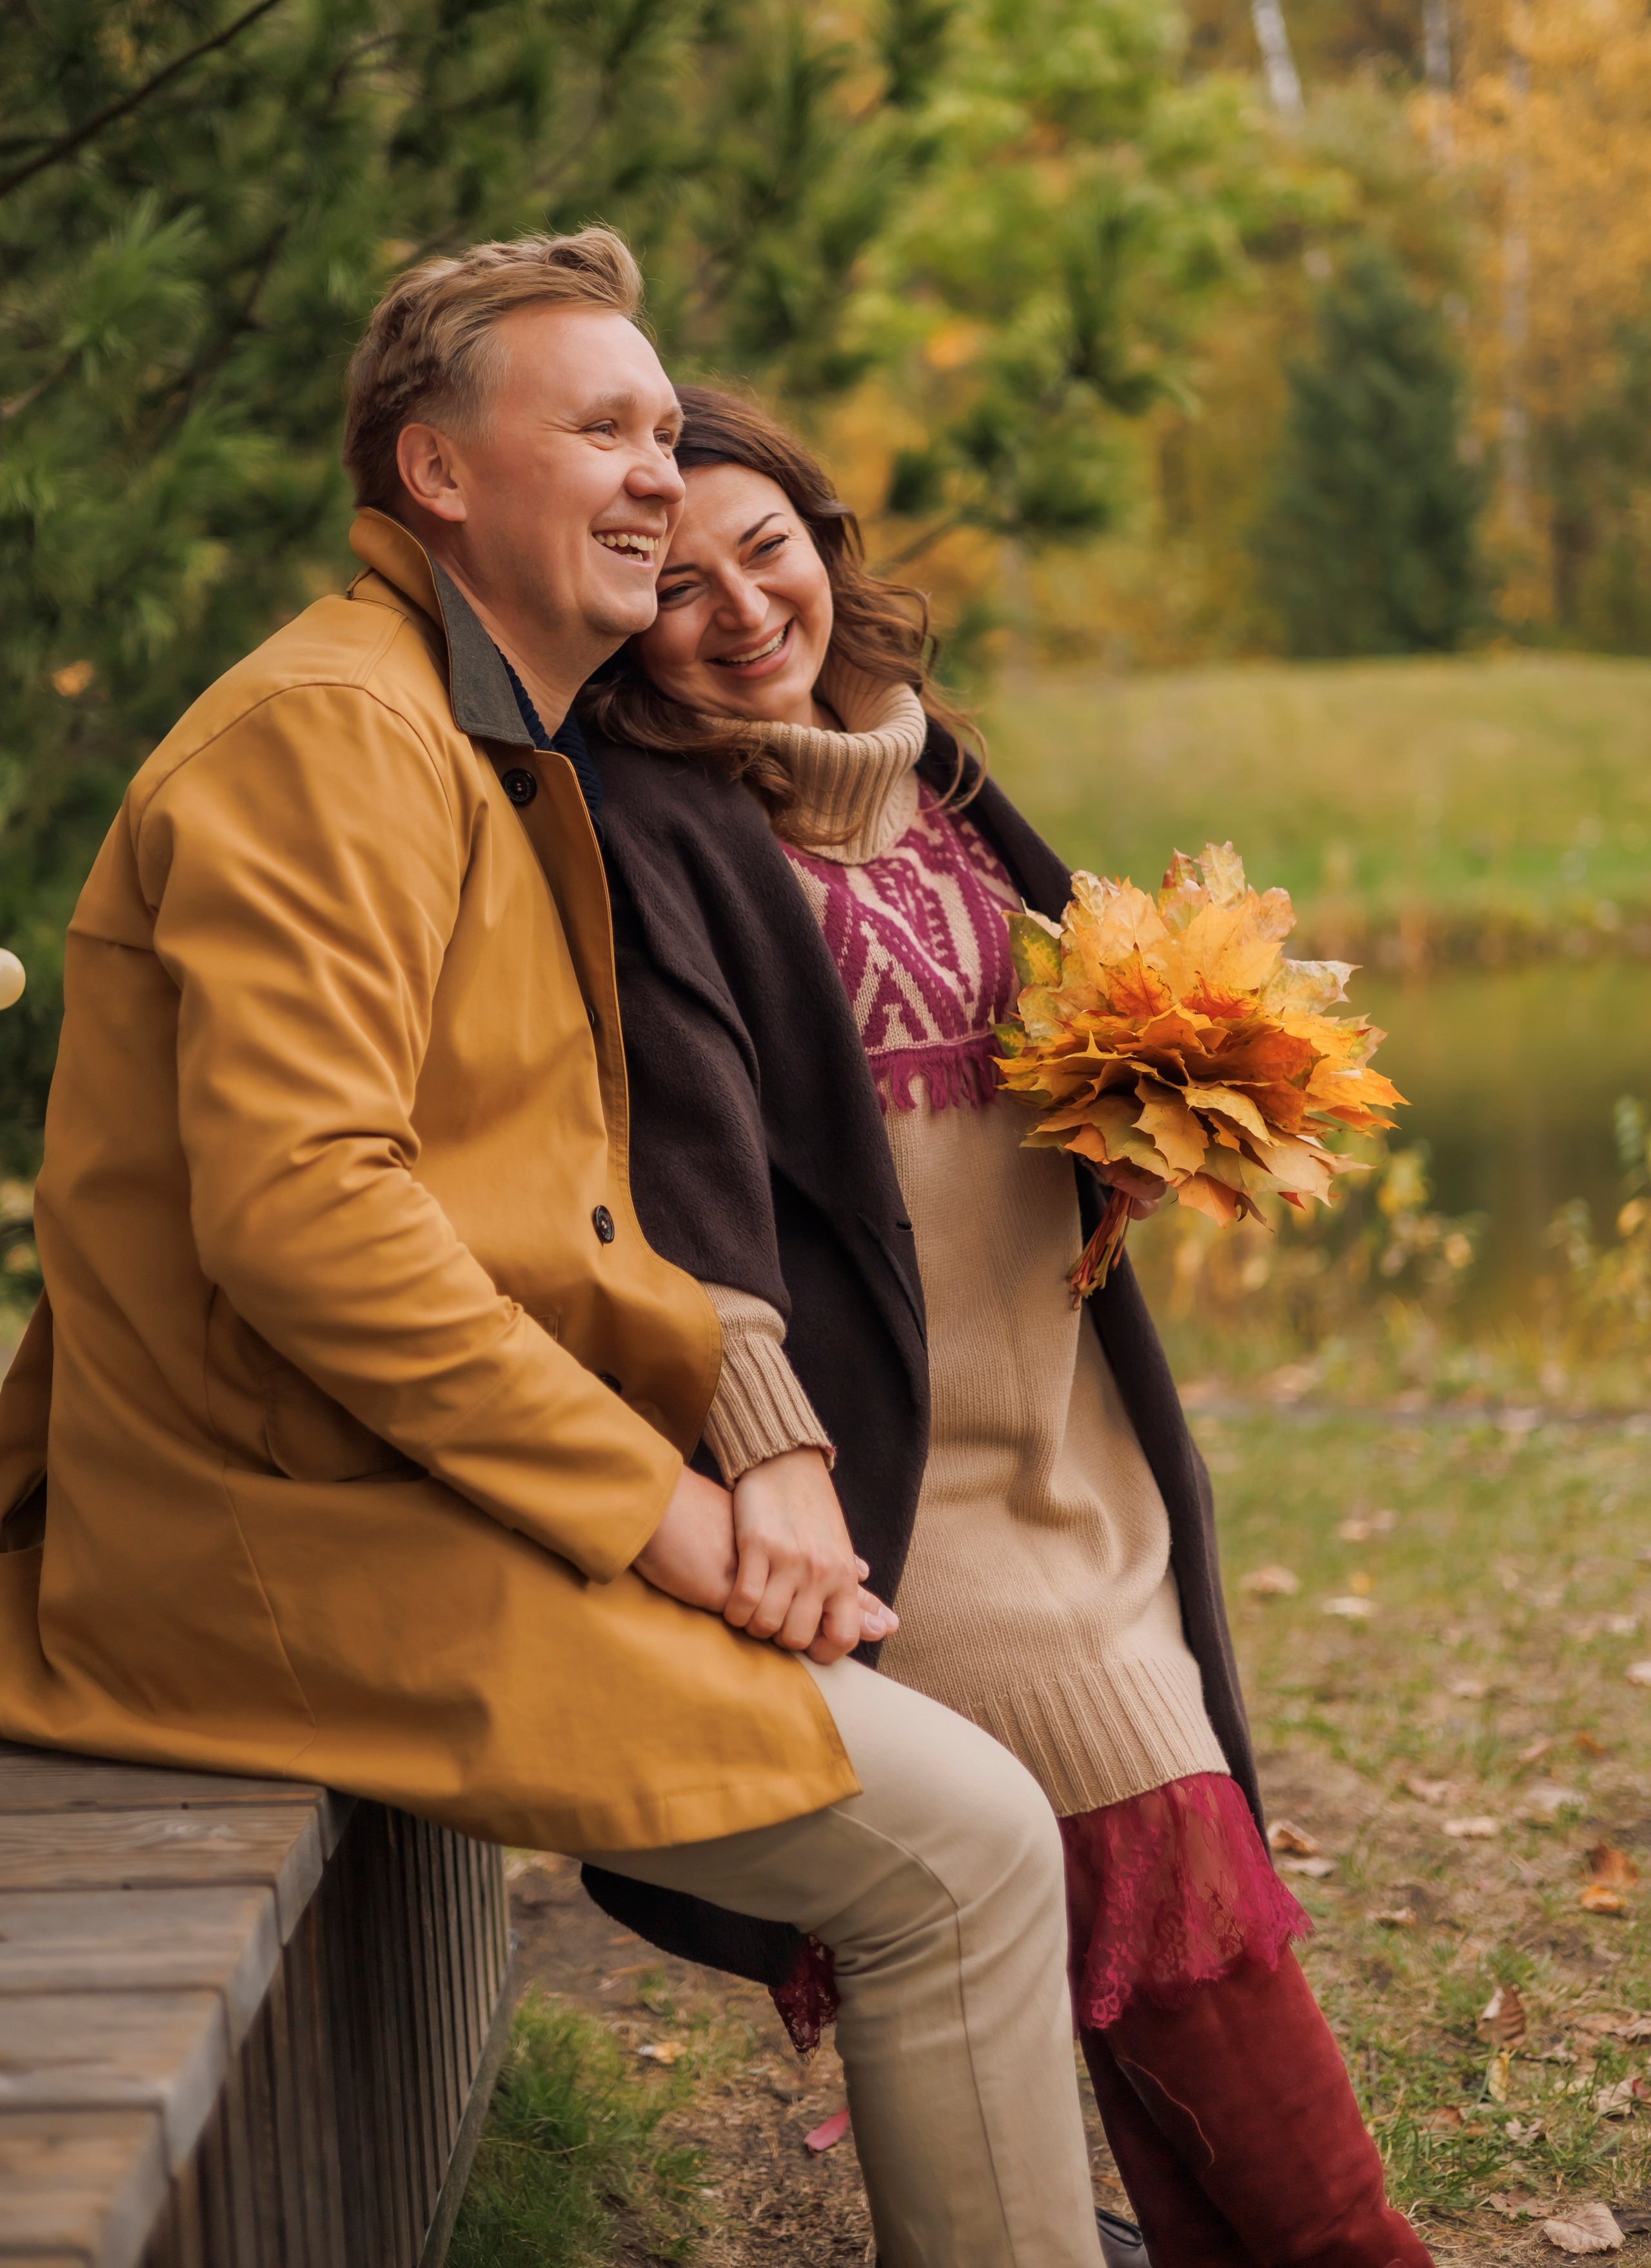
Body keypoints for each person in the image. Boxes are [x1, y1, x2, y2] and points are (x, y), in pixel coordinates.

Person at [0, 234, 1111, 2268]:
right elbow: (307, 1221)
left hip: (399, 1494)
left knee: (972, 1817)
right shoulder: (332, 739)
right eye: (598, 427)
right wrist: (663, 1515)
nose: (655, 482)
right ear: (437, 472)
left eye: (668, 434)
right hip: (270, 1536)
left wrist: (742, 1428)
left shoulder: (488, 739)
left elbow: (552, 1208)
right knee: (960, 1845)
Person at [580, 384, 1436, 2268]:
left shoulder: (930, 772)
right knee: (1175, 1894)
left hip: (1079, 1463)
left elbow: (1039, 1062)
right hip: (911, 1507)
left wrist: (1171, 1099)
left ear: (828, 544)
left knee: (1145, 1944)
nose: (741, 609)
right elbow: (692, 1191)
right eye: (673, 579)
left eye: (770, 547)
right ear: (609, 617)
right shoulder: (650, 837)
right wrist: (763, 1447)